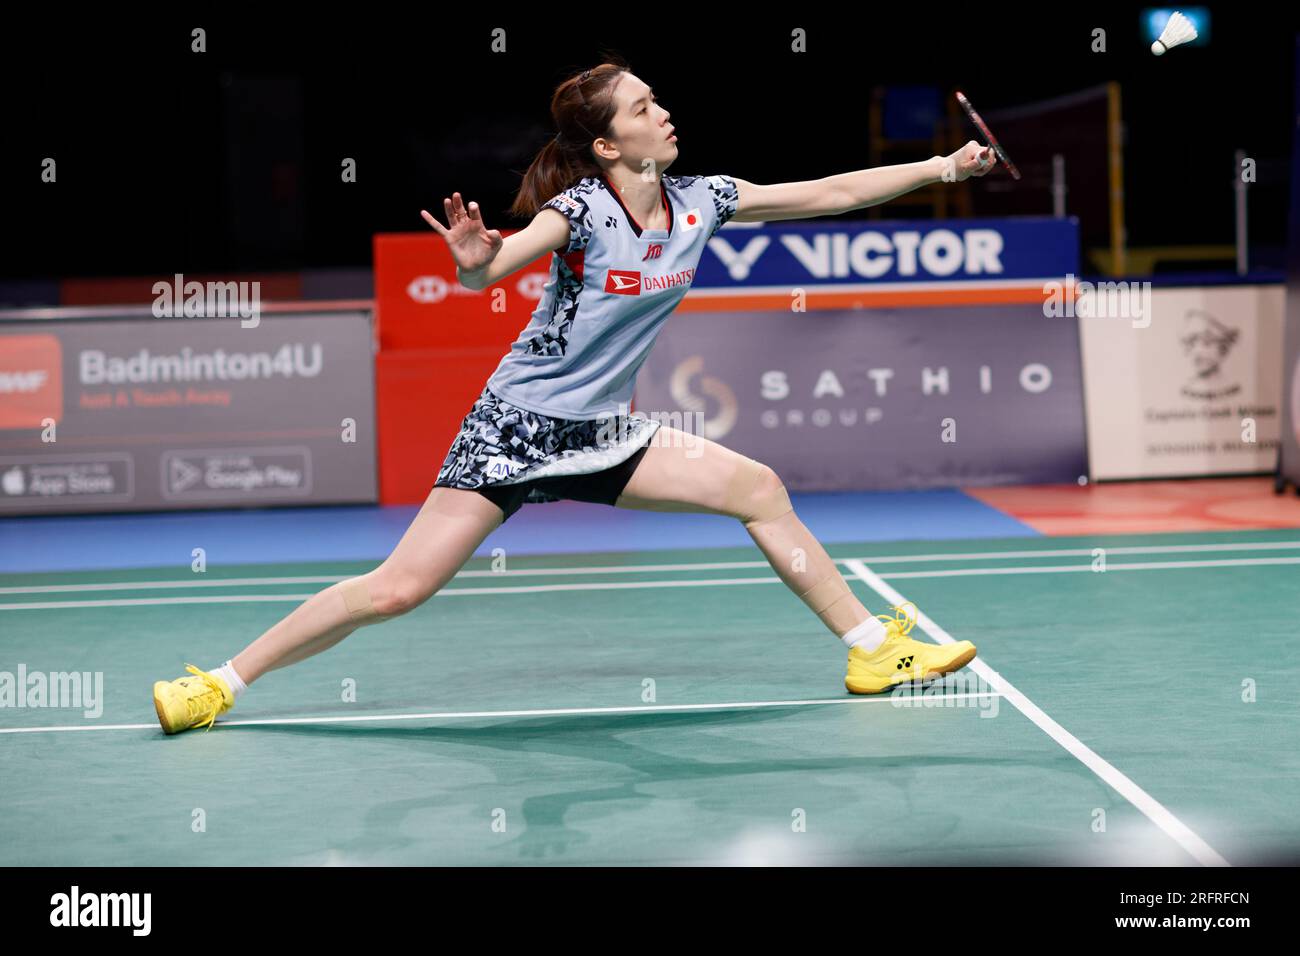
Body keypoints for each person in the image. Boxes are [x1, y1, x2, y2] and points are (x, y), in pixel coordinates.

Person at [152, 59, 992, 735]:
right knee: (398, 590)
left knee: (758, 489)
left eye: (656, 100)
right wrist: (473, 257)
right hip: (514, 429)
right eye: (640, 109)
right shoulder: (580, 211)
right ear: (607, 147)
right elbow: (492, 269)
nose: (662, 113)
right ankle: (219, 684)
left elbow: (829, 192)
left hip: (602, 433)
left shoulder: (705, 201)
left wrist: (941, 166)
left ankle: (871, 650)